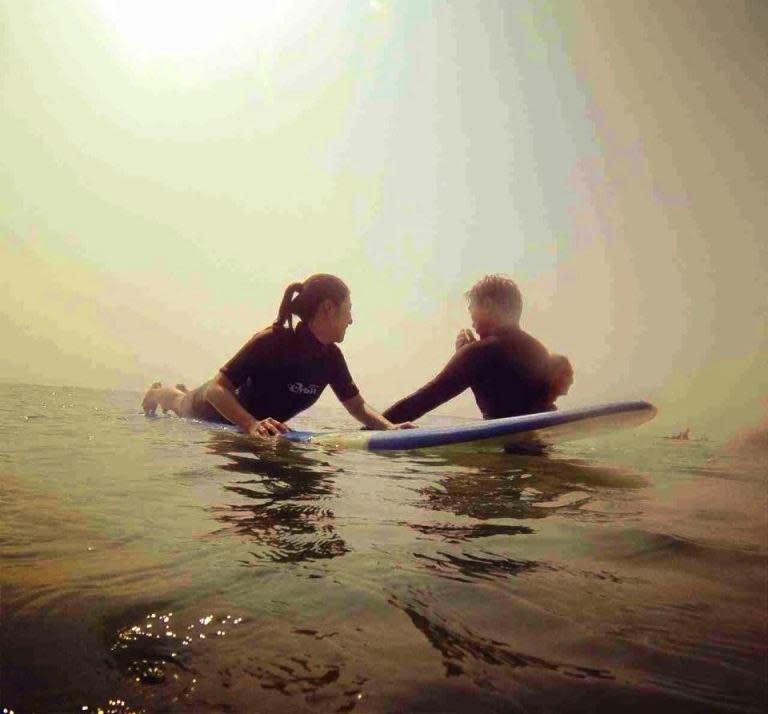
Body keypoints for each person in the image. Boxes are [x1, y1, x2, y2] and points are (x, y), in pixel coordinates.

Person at [141, 274, 414, 437]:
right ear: (329, 309)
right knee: (180, 405)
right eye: (349, 310)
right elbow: (216, 389)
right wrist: (251, 425)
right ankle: (161, 392)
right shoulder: (272, 341)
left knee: (182, 399)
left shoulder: (331, 358)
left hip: (247, 426)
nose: (352, 320)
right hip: (209, 411)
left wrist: (389, 429)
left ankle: (176, 391)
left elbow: (357, 407)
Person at [382, 274, 573, 423]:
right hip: (539, 451)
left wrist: (370, 428)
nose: (471, 321)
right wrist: (466, 357)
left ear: (488, 305)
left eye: (472, 310)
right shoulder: (538, 349)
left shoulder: (481, 352)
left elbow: (424, 400)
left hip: (502, 460)